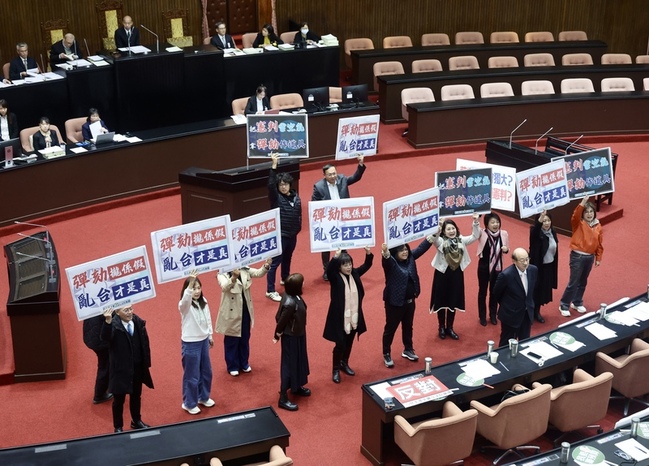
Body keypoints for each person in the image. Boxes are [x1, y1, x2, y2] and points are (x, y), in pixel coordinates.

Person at [381, 236, 434, 367]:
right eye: (401, 250)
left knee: (408, 326)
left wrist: (433, 235)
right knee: (390, 329)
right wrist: (385, 252)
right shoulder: (392, 263)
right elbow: (386, 260)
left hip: (410, 301)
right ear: (395, 253)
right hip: (394, 303)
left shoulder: (410, 258)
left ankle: (408, 349)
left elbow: (421, 248)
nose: (405, 252)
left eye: (406, 249)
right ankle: (386, 353)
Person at [311, 155, 366, 280]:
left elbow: (356, 177)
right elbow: (314, 204)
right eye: (330, 174)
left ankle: (344, 265)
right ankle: (327, 270)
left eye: (334, 173)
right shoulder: (318, 187)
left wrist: (360, 165)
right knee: (326, 246)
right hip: (328, 220)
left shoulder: (342, 179)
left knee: (343, 242)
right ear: (324, 175)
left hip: (343, 218)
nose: (333, 176)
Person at [100, 305, 153, 433]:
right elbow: (105, 338)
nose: (130, 312)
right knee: (119, 401)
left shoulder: (138, 321)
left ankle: (136, 420)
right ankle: (118, 427)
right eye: (126, 310)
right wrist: (107, 322)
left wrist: (146, 363)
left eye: (131, 309)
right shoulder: (113, 324)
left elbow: (144, 343)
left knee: (136, 396)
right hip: (120, 370)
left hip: (137, 367)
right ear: (117, 312)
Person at [324, 247, 373, 383]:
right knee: (340, 344)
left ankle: (344, 363)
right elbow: (329, 271)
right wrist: (335, 257)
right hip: (339, 318)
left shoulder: (355, 274)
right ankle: (335, 369)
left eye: (350, 264)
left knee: (349, 342)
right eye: (345, 265)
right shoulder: (335, 277)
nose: (348, 267)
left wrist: (368, 253)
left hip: (354, 315)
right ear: (339, 267)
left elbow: (367, 265)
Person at [216, 258, 271, 376]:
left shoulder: (244, 269)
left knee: (245, 337)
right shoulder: (222, 273)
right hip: (231, 312)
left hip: (245, 309)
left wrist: (266, 265)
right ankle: (232, 365)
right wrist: (233, 278)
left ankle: (244, 362)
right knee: (232, 339)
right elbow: (224, 287)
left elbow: (258, 273)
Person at [430, 213, 481, 340]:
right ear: (444, 231)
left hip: (456, 274)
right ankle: (441, 327)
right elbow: (434, 239)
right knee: (441, 300)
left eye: (453, 228)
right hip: (442, 274)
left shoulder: (461, 240)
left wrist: (475, 222)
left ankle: (450, 327)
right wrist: (438, 227)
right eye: (448, 229)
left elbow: (475, 236)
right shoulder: (441, 241)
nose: (451, 231)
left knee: (453, 300)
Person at [558, 196, 604, 316]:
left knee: (583, 282)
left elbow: (599, 244)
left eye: (591, 211)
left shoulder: (598, 226)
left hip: (590, 257)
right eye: (586, 212)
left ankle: (577, 302)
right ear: (583, 214)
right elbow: (575, 215)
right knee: (573, 282)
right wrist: (583, 202)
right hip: (577, 257)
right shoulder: (578, 223)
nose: (589, 214)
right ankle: (564, 304)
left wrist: (598, 258)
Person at [266, 153, 302, 301]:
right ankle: (270, 290)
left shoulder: (295, 196)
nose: (283, 187)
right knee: (275, 263)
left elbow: (299, 213)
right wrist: (274, 166)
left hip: (293, 234)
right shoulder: (276, 198)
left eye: (285, 184)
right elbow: (270, 185)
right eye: (280, 185)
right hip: (281, 235)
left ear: (289, 185)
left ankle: (285, 279)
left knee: (288, 258)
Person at [178, 271, 214, 415]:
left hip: (204, 340)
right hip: (191, 343)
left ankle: (203, 397)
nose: (197, 291)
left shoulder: (204, 301)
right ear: (187, 290)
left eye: (199, 288)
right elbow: (185, 301)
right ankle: (189, 403)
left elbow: (208, 318)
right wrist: (190, 284)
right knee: (192, 375)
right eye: (193, 288)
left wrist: (210, 335)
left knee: (206, 371)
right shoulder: (184, 305)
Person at [273, 273, 310, 411]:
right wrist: (276, 335)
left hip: (299, 334)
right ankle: (283, 398)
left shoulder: (294, 296)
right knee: (288, 366)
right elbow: (280, 320)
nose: (304, 284)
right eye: (301, 283)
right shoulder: (290, 303)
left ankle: (296, 386)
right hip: (291, 338)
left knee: (299, 361)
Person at [493, 248, 538, 347]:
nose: (525, 263)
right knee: (506, 344)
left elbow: (532, 290)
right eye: (522, 260)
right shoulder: (506, 275)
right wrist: (509, 305)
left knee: (525, 343)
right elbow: (497, 293)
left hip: (527, 313)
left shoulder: (533, 270)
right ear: (514, 261)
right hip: (510, 315)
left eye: (527, 259)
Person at [475, 212, 510, 326]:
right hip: (484, 267)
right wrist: (476, 220)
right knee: (482, 292)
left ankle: (493, 315)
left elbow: (507, 248)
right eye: (492, 222)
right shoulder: (482, 233)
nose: (496, 224)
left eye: (497, 222)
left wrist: (506, 249)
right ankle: (482, 316)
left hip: (498, 268)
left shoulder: (503, 233)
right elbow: (475, 231)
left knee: (494, 292)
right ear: (487, 224)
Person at [529, 210, 558, 323]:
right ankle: (530, 312)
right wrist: (540, 220)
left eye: (548, 220)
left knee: (542, 291)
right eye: (544, 221)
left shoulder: (553, 232)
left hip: (549, 266)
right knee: (534, 290)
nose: (546, 223)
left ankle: (537, 312)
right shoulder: (535, 233)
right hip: (537, 266)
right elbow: (535, 230)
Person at [82, 315, 112, 404]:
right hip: (101, 338)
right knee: (105, 365)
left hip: (91, 334)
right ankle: (100, 394)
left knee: (104, 363)